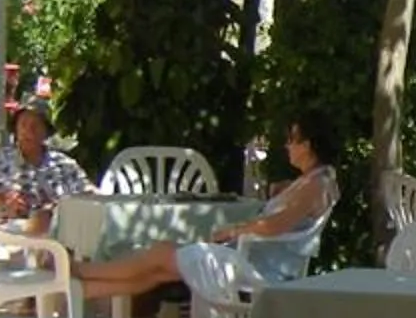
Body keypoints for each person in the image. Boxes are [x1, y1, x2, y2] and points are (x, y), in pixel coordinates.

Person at [73, 110, 338, 303]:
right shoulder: (314, 180)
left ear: (308, 145)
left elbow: (275, 226)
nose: (287, 145)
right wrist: (283, 190)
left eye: (292, 139)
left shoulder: (316, 185)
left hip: (258, 266)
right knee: (160, 272)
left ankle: (78, 272)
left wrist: (233, 230)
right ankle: (80, 290)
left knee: (159, 254)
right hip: (257, 259)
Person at [0, 102, 89, 237]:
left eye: (36, 126)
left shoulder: (63, 165)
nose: (28, 131)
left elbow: (91, 194)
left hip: (60, 233)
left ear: (46, 132)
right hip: (13, 236)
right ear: (16, 129)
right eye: (23, 125)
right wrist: (0, 198)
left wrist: (60, 206)